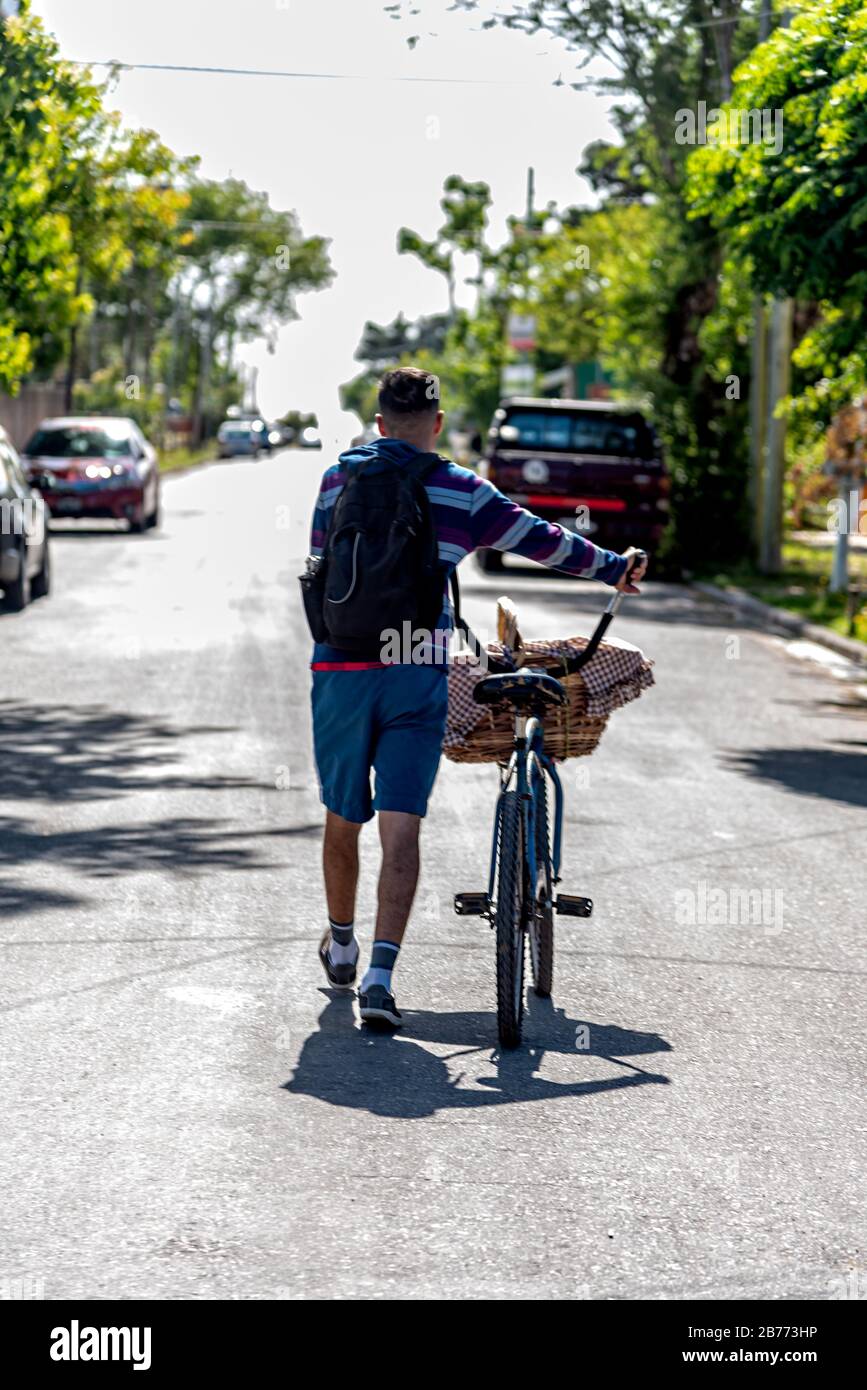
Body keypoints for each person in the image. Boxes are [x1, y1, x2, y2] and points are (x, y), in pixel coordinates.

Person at [308, 367, 648, 1028]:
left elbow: (319, 573)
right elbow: (542, 541)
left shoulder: (335, 481)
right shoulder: (460, 489)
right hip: (417, 669)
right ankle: (380, 978)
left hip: (342, 669)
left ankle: (341, 942)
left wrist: (335, 651)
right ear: (435, 424)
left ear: (378, 424)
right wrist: (613, 566)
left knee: (342, 817)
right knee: (400, 825)